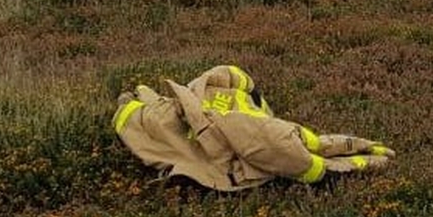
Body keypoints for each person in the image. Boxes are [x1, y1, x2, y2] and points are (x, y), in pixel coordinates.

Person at [112, 64, 393, 191]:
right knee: (309, 146)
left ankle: (347, 155)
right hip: (250, 142)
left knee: (309, 145)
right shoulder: (152, 118)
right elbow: (277, 146)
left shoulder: (156, 111)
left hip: (242, 135)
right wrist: (322, 171)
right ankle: (354, 155)